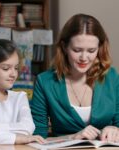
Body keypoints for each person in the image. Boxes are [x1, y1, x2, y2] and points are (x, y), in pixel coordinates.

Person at [30, 13, 119, 142]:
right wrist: (73, 137)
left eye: (91, 51)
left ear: (99, 48)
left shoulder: (111, 77)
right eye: (77, 50)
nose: (84, 58)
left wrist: (115, 130)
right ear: (64, 47)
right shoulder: (45, 82)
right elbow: (36, 138)